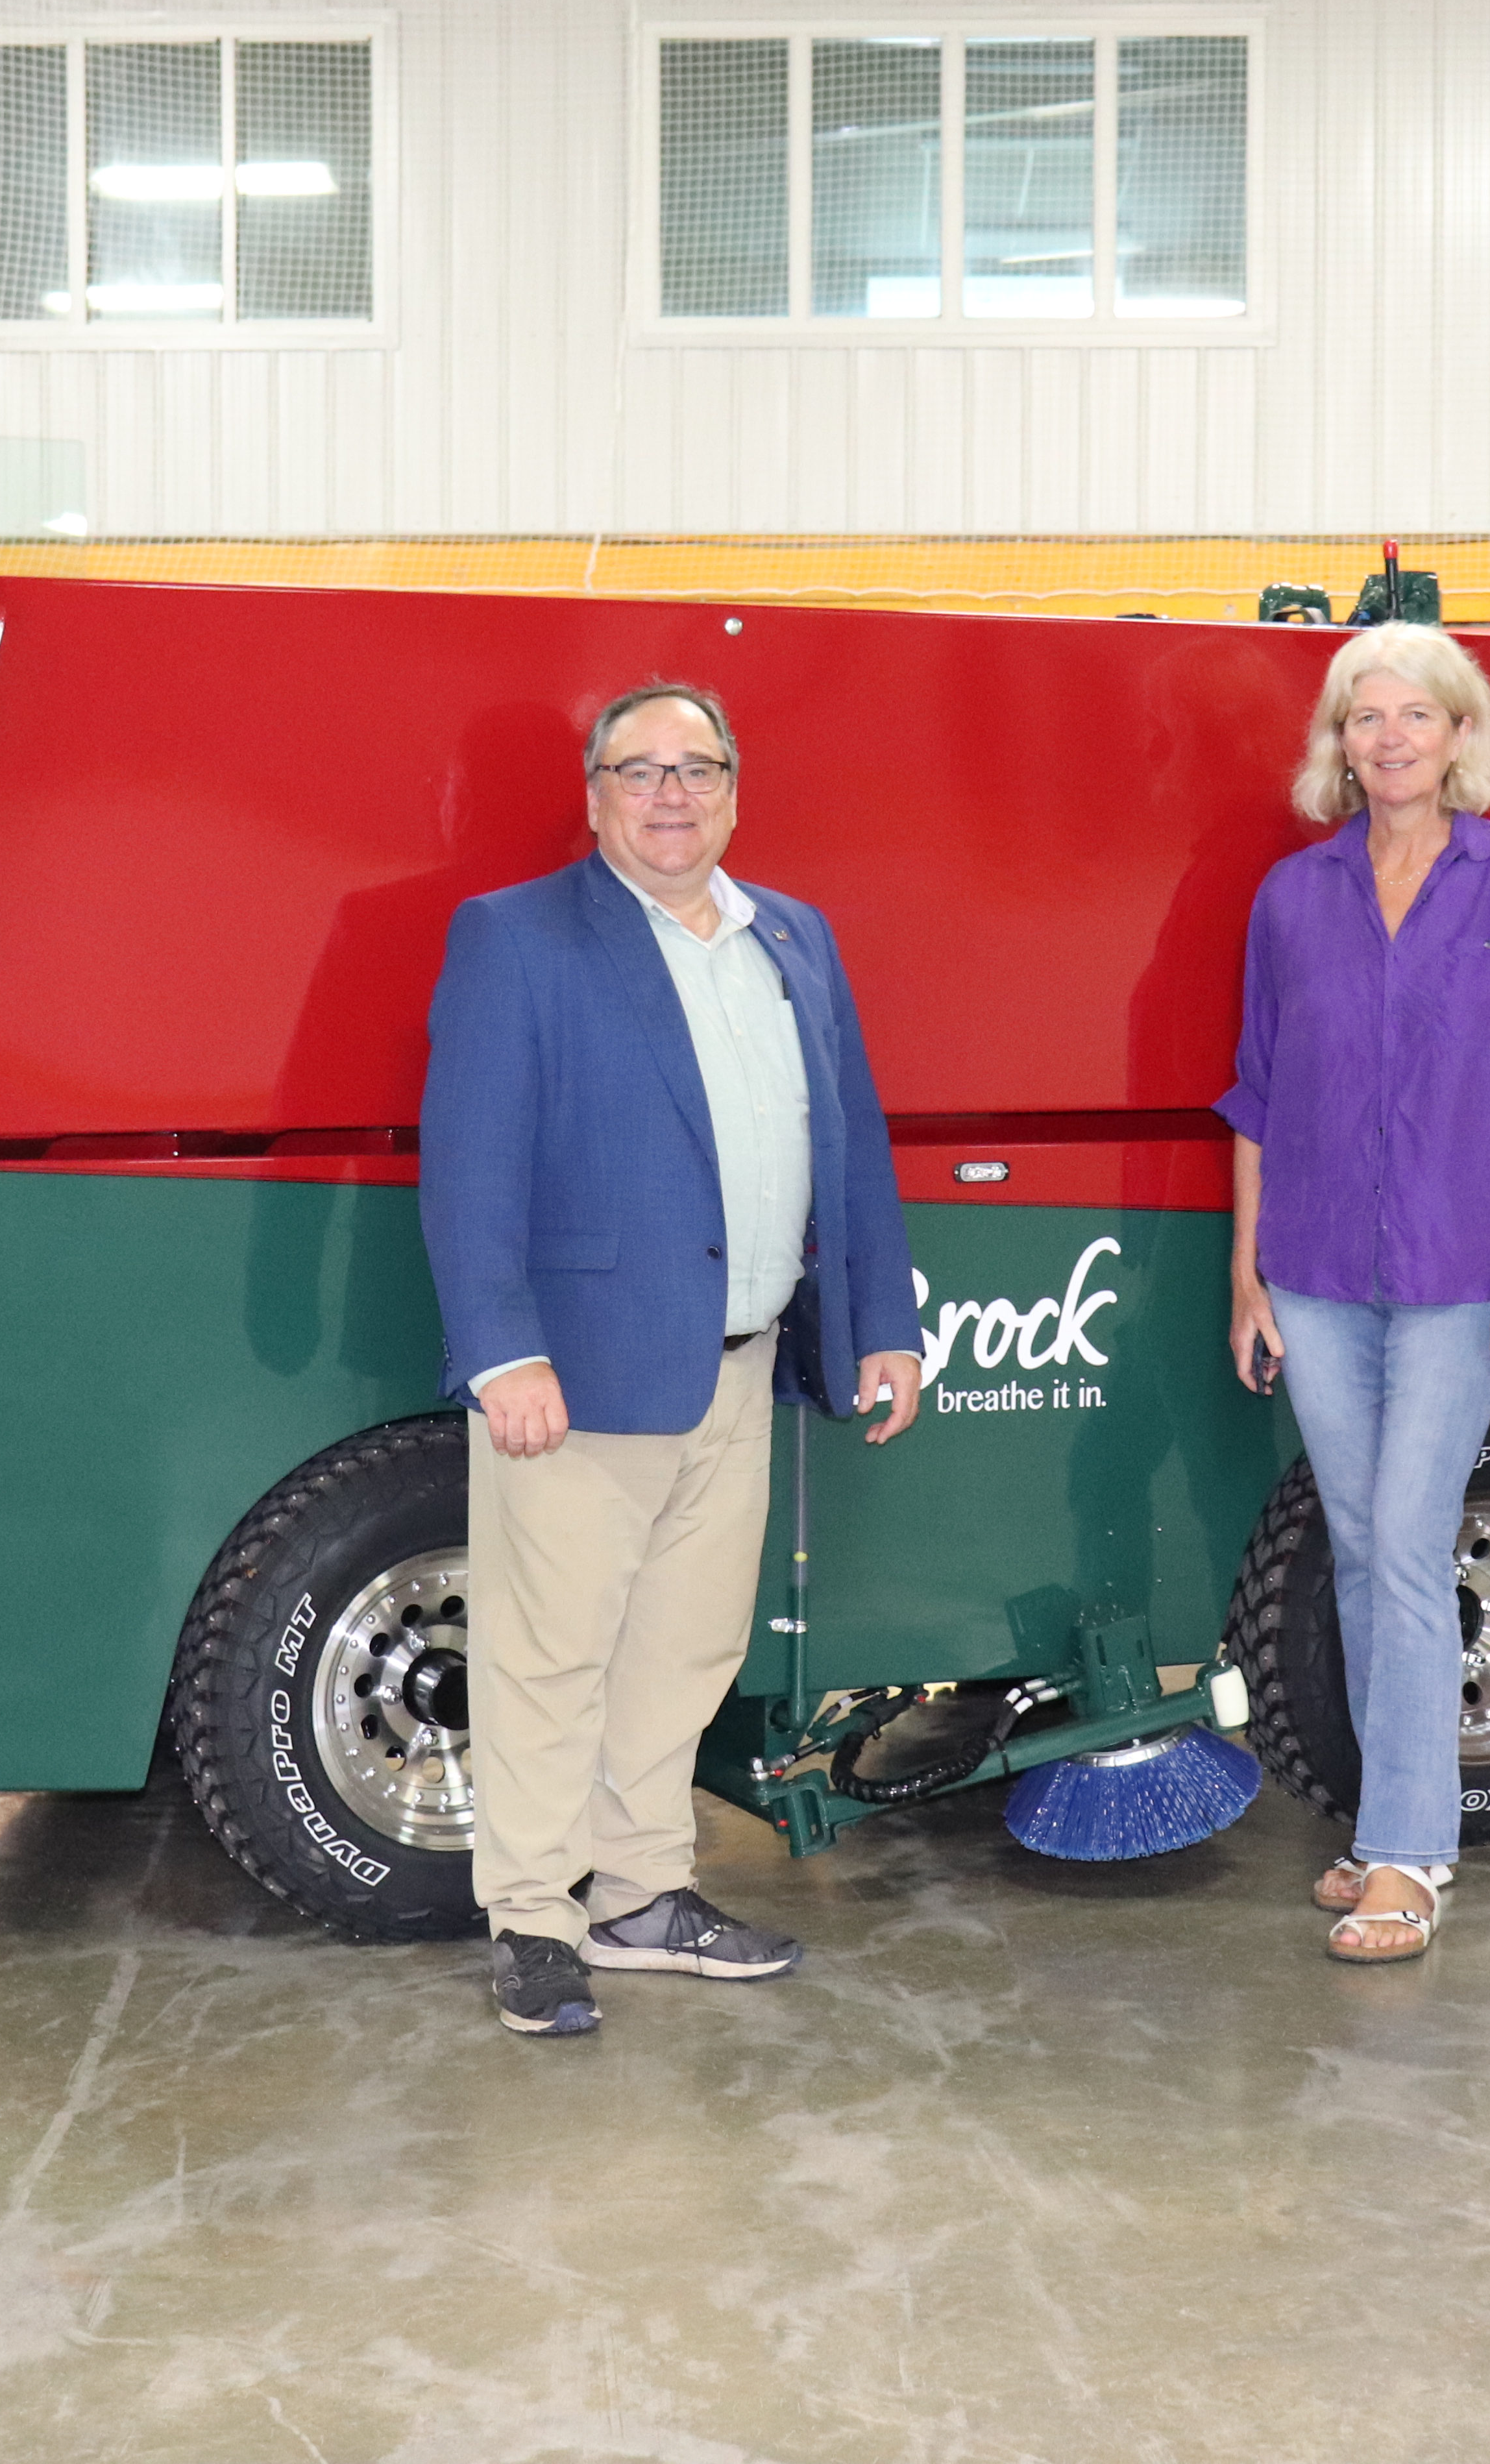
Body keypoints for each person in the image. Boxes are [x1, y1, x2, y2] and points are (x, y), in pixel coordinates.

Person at [419, 681, 925, 2038]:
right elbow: (470, 1164)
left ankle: (641, 1893)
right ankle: (532, 1914)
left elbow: (852, 1143)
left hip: (741, 1366)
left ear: (735, 791)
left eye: (696, 768)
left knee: (686, 1649)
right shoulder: (516, 937)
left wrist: (885, 1319)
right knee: (549, 1654)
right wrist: (502, 1350)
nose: (670, 794)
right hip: (578, 1375)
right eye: (639, 770)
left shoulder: (794, 939)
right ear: (594, 794)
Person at [1219, 625, 1490, 1964]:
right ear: (1339, 744)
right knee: (1368, 1544)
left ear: (1460, 737)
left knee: (1403, 1531)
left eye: (1414, 716)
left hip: (1458, 1271)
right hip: (1315, 1269)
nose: (1388, 739)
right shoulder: (1293, 895)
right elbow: (1257, 1096)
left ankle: (1410, 1856)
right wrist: (1246, 1274)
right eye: (1362, 718)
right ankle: (1397, 1824)